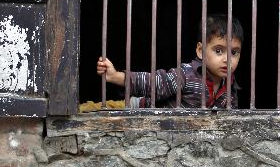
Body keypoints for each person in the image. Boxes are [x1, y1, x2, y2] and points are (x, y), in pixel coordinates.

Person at [96, 14, 243, 109]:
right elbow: (154, 83)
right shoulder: (185, 75)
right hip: (140, 109)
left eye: (234, 52)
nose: (227, 59)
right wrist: (115, 76)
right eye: (218, 51)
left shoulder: (230, 87)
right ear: (200, 51)